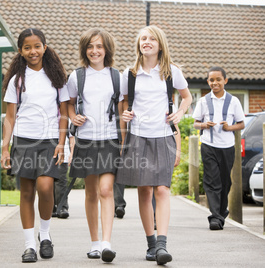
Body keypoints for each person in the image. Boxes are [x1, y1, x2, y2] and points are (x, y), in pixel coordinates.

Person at [116, 25, 191, 265]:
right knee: (145, 191)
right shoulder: (130, 73)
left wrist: (179, 112)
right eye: (142, 39)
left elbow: (187, 96)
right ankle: (150, 243)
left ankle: (162, 244)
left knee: (162, 189)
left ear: (160, 44)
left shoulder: (172, 71)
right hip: (138, 136)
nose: (146, 42)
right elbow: (123, 103)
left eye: (151, 39)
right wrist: (124, 114)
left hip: (163, 136)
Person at [0, 28, 69, 263]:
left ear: (45, 47)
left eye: (37, 46)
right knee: (27, 192)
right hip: (23, 139)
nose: (33, 51)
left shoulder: (57, 78)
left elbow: (64, 115)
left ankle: (46, 234)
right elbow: (9, 117)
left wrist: (61, 144)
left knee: (46, 186)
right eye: (27, 47)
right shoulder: (17, 81)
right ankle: (30, 245)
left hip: (50, 140)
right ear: (20, 51)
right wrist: (4, 148)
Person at [67, 28, 122, 263]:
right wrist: (72, 117)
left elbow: (123, 106)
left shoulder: (117, 76)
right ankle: (95, 244)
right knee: (90, 192)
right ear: (84, 50)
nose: (94, 50)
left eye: (99, 46)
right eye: (90, 46)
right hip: (86, 139)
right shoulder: (76, 76)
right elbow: (69, 104)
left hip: (110, 138)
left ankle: (107, 242)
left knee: (106, 190)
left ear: (106, 49)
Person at [192, 66, 245, 231]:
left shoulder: (234, 101)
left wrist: (229, 128)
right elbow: (195, 123)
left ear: (225, 81)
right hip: (208, 145)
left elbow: (241, 124)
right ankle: (215, 217)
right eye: (211, 80)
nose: (215, 83)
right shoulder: (203, 101)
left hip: (228, 147)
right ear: (208, 82)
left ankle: (221, 212)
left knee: (225, 182)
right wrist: (203, 125)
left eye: (218, 80)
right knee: (212, 181)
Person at [52, 135, 71, 219]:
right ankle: (51, 207)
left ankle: (62, 207)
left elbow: (72, 136)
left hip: (63, 153)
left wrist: (72, 152)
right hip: (45, 151)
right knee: (48, 181)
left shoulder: (66, 121)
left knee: (61, 180)